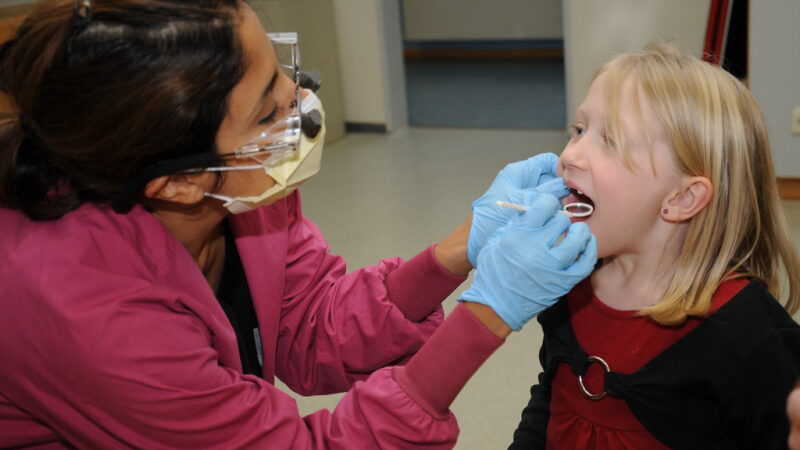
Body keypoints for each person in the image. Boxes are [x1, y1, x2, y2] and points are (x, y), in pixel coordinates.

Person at [0, 0, 597, 447]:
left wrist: (461, 247)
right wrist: (486, 316)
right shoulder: (88, 311)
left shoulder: (241, 181)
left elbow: (310, 325)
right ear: (178, 182)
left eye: (282, 73)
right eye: (268, 108)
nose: (299, 103)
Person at [507, 43, 800, 449]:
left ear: (682, 198)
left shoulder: (752, 338)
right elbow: (552, 396)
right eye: (578, 130)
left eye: (610, 140)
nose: (571, 155)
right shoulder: (570, 280)